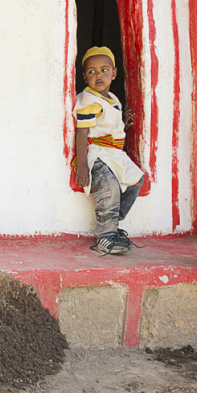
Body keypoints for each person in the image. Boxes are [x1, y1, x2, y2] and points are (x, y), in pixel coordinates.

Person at [73, 47, 145, 255]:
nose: (99, 76)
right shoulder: (89, 101)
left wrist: (123, 124)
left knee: (136, 180)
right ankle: (105, 236)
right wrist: (83, 165)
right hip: (98, 154)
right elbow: (82, 132)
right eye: (92, 72)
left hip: (114, 153)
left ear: (114, 73)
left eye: (104, 70)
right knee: (109, 185)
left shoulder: (111, 98)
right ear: (84, 76)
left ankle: (112, 222)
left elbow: (106, 124)